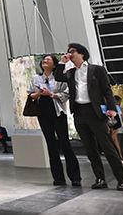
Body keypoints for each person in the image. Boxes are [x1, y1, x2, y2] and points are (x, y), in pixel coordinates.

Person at [55, 43, 123, 191]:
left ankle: (122, 180)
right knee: (90, 149)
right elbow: (58, 76)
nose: (70, 54)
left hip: (95, 112)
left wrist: (112, 109)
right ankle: (100, 178)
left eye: (72, 51)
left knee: (107, 147)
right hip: (79, 112)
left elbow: (107, 90)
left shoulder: (97, 69)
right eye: (68, 52)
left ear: (82, 54)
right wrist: (62, 62)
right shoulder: (71, 72)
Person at [29, 54, 81, 186]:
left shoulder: (59, 78)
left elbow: (66, 94)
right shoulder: (36, 78)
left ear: (54, 65)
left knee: (65, 144)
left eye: (48, 59)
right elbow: (30, 94)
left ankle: (75, 177)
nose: (45, 61)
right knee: (51, 145)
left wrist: (51, 94)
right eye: (44, 59)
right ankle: (58, 177)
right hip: (43, 113)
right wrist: (39, 93)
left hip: (58, 112)